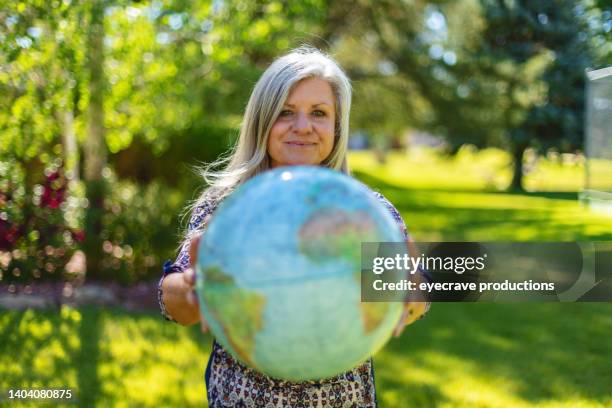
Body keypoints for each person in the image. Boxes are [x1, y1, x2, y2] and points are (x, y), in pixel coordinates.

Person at [158, 46, 430, 407]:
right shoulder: (228, 208)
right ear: (263, 121)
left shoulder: (367, 212)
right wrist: (195, 290)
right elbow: (170, 299)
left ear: (336, 126)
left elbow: (415, 295)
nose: (303, 127)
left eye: (318, 113)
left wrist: (409, 297)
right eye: (286, 112)